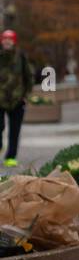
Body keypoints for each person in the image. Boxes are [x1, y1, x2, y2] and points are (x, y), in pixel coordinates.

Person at [0, 30, 34, 168]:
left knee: (15, 130)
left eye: (10, 39)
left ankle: (11, 156)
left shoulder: (21, 57)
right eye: (5, 39)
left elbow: (29, 76)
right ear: (2, 41)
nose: (7, 41)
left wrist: (26, 95)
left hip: (17, 99)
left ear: (14, 41)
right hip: (0, 99)